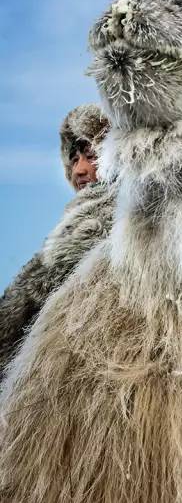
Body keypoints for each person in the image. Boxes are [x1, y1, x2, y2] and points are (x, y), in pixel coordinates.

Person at [0, 104, 113, 380]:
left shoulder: (107, 213)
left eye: (91, 156)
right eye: (74, 160)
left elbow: (38, 286)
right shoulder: (86, 214)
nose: (80, 170)